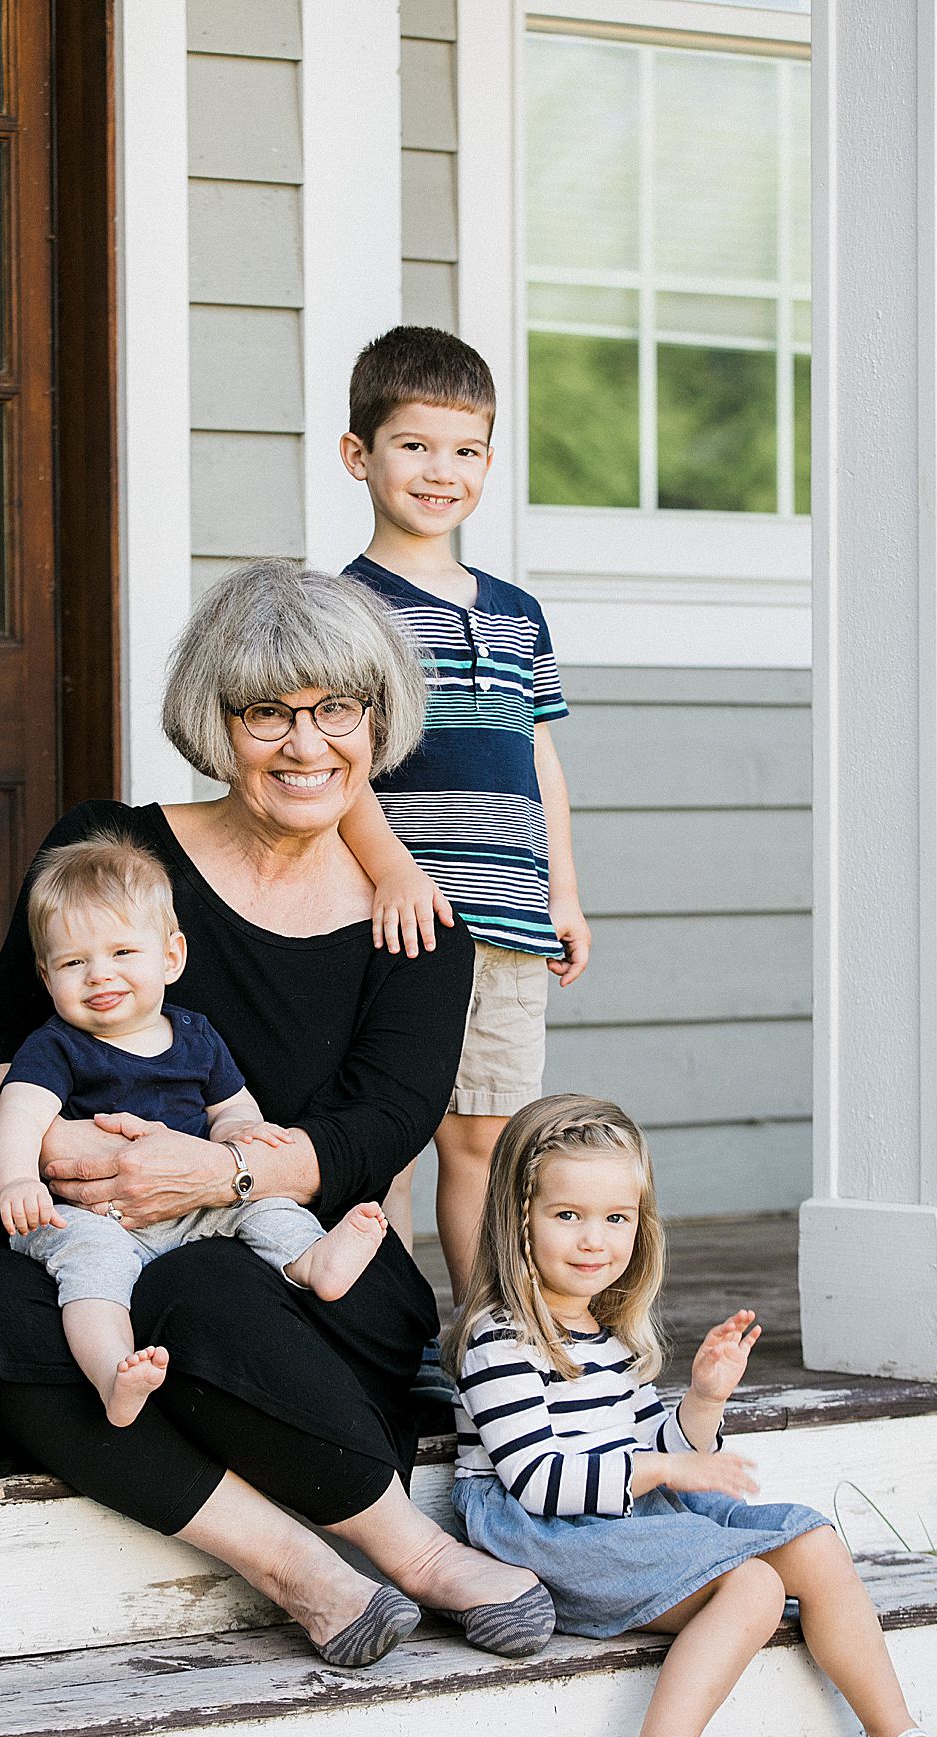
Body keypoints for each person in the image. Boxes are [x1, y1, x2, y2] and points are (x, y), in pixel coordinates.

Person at [0, 561, 555, 1672]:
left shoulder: (415, 928)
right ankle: (299, 1570)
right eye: (267, 712)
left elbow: (378, 1128)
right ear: (216, 722)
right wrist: (49, 1140)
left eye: (335, 709)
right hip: (96, 1227)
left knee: (200, 1285)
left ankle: (415, 1556)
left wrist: (220, 1178)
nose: (306, 745)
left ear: (377, 717)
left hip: (300, 1263)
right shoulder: (114, 851)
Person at [447, 1094, 937, 1737]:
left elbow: (661, 1450)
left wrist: (699, 1404)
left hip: (621, 1512)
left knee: (813, 1540)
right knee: (754, 1583)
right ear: (516, 1219)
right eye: (567, 1215)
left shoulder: (607, 1336)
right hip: (543, 1534)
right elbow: (538, 1479)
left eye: (616, 1218)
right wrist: (663, 1474)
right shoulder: (498, 1339)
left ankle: (892, 1734)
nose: (594, 1239)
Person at [336, 325, 591, 1303]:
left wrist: (561, 893)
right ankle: (381, 1341)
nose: (440, 471)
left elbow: (536, 755)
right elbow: (336, 766)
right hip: (395, 924)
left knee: (485, 1138)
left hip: (508, 922)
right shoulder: (346, 609)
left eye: (465, 450)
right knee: (391, 1138)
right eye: (413, 445)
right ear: (359, 455)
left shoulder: (518, 613)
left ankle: (481, 1336)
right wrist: (394, 870)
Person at [0, 829, 389, 1427]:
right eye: (75, 963)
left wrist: (241, 1136)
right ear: (48, 980)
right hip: (96, 1212)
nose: (100, 975)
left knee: (265, 1204)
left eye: (122, 953)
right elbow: (19, 1115)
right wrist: (17, 1181)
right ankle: (112, 1374)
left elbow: (231, 1106)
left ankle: (310, 1263)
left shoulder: (195, 1035)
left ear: (170, 957)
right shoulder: (55, 1047)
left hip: (193, 1202)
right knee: (91, 1264)